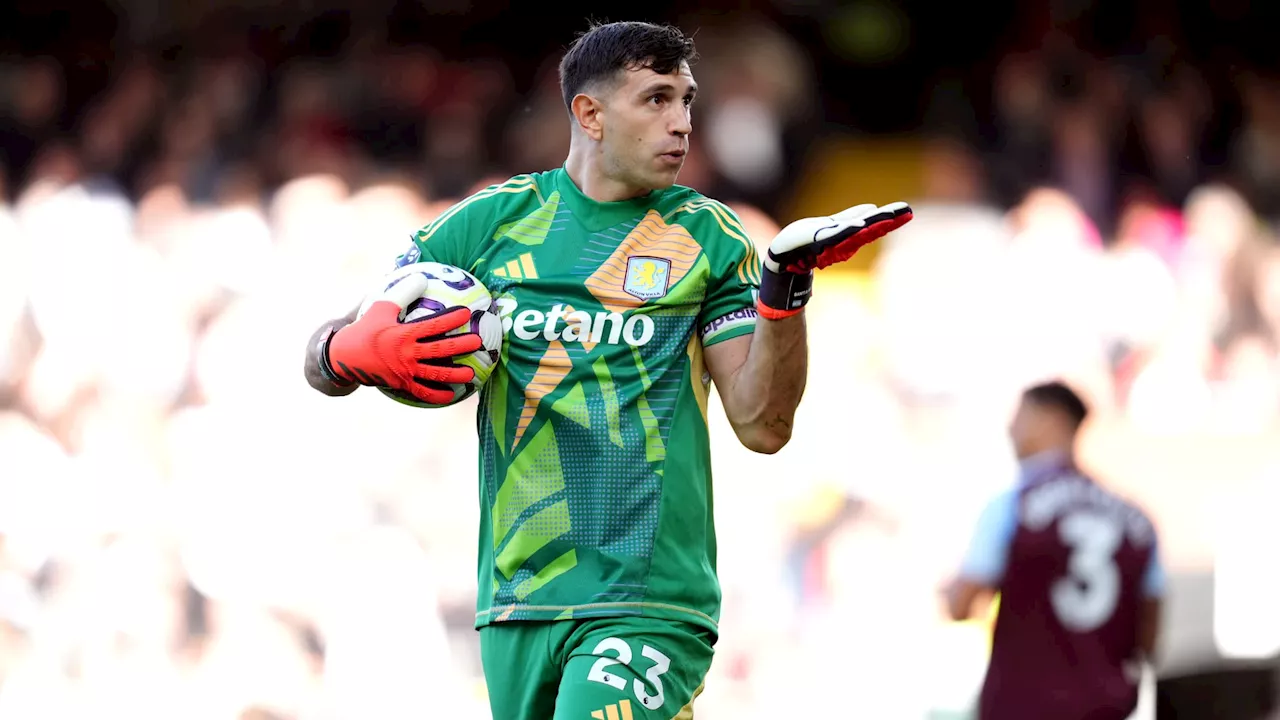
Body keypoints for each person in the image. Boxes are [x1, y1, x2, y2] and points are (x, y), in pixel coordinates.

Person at [303, 20, 911, 719]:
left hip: (647, 600)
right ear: (588, 113)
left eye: (686, 101)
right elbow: (329, 350)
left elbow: (762, 424)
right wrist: (342, 353)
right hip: (517, 601)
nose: (681, 122)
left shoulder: (707, 238)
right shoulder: (486, 226)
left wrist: (784, 291)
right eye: (656, 100)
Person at [946, 381, 1165, 720]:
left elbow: (962, 605)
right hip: (1105, 707)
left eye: (1021, 416)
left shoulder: (1011, 506)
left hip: (1022, 706)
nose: (1011, 428)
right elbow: (1148, 639)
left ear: (1051, 419)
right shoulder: (1137, 520)